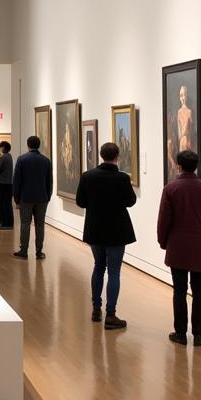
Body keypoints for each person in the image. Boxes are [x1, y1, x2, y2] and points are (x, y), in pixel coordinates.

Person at [157, 150, 201, 346]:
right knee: (199, 289)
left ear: (179, 166)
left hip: (177, 245)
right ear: (196, 166)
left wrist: (162, 241)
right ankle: (199, 335)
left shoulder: (170, 189)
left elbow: (163, 221)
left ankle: (180, 333)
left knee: (179, 290)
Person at [76, 141, 137, 330]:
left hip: (95, 227)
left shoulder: (88, 176)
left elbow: (80, 201)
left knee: (98, 267)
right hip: (117, 229)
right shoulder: (122, 178)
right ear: (117, 156)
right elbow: (131, 201)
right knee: (114, 271)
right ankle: (111, 314)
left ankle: (96, 309)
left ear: (101, 155)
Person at [12, 135, 53, 260]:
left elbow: (17, 180)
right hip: (42, 198)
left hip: (26, 197)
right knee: (40, 225)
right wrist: (48, 196)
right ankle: (39, 252)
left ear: (28, 145)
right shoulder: (46, 160)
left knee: (25, 224)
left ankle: (24, 251)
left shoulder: (22, 159)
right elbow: (49, 181)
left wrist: (16, 198)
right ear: (38, 145)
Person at [0, 141, 14, 230]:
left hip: (2, 183)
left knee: (4, 204)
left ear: (4, 148)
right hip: (8, 183)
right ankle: (7, 223)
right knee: (7, 204)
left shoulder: (3, 157)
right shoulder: (9, 156)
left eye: (0, 147)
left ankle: (6, 224)